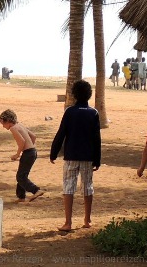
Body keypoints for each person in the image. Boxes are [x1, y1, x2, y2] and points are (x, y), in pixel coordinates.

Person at [50, 80, 101, 232]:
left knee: (68, 187)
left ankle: (68, 222)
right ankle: (87, 220)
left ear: (74, 95)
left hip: (71, 155)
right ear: (89, 95)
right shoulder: (94, 113)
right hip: (87, 156)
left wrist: (53, 152)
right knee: (87, 187)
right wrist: (97, 159)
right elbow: (96, 138)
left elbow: (61, 134)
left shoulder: (69, 112)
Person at [0, 109, 44, 203]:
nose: (3, 126)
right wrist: (30, 146)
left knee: (20, 177)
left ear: (8, 121)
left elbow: (22, 142)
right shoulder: (20, 125)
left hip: (28, 153)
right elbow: (33, 136)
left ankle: (36, 190)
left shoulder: (13, 128)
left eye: (3, 123)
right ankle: (21, 196)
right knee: (22, 175)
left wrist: (17, 154)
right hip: (32, 152)